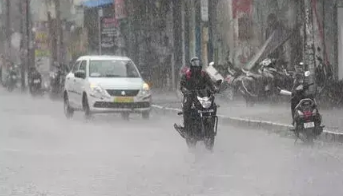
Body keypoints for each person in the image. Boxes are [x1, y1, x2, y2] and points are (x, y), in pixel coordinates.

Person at [178, 57, 218, 133]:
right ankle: (186, 128)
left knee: (214, 105)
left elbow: (210, 83)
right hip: (191, 95)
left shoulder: (204, 74)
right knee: (187, 107)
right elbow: (182, 85)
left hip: (203, 95)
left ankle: (211, 124)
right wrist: (185, 90)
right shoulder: (187, 75)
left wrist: (214, 89)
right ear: (191, 67)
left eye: (198, 67)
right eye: (195, 67)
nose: (196, 69)